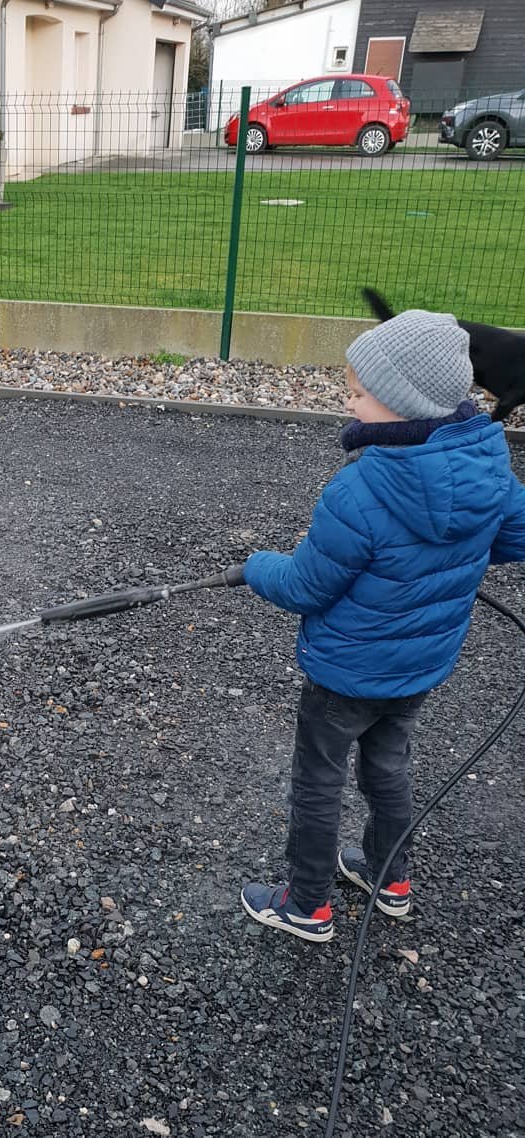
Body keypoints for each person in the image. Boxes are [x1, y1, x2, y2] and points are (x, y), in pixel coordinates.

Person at [238, 309, 525, 942]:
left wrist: (257, 566)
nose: (349, 401)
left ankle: (306, 904)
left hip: (346, 673)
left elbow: (305, 586)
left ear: (403, 403)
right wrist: (451, 557)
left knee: (318, 780)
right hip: (419, 668)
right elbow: (514, 538)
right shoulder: (489, 462)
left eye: (360, 392)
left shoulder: (362, 488)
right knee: (389, 765)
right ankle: (389, 877)